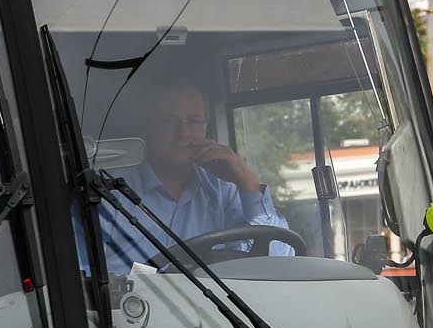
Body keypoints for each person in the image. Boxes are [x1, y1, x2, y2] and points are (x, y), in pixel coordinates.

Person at [93, 78, 292, 274]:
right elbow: (80, 278)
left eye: (194, 121)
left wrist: (247, 182)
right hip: (133, 306)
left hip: (221, 306)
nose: (184, 132)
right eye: (169, 121)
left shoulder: (225, 192)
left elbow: (280, 262)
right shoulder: (107, 195)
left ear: (207, 128)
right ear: (146, 128)